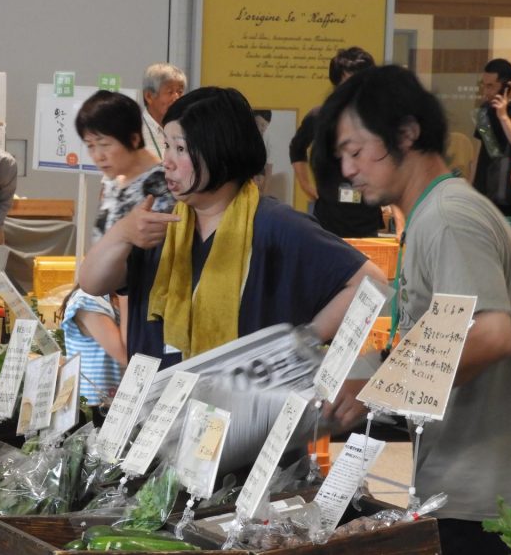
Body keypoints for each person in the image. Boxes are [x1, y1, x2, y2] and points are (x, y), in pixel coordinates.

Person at [314, 64, 511, 555]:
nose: (348, 169)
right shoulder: (436, 215)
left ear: (407, 134)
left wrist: (377, 388)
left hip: (486, 507)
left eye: (357, 150)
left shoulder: (448, 218)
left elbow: (491, 333)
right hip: (471, 495)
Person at [78, 86, 382, 367]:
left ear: (219, 150)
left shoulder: (276, 225)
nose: (167, 161)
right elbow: (92, 283)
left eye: (180, 149)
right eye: (167, 146)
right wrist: (121, 233)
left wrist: (304, 340)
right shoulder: (161, 226)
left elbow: (372, 283)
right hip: (160, 411)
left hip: (242, 416)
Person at [289, 46, 385, 238]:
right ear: (337, 83)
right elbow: (297, 148)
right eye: (350, 83)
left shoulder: (378, 119)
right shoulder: (320, 117)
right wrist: (306, 186)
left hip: (366, 219)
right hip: (328, 219)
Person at [76, 89, 165, 241]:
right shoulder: (113, 181)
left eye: (104, 144)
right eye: (90, 146)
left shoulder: (162, 185)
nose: (98, 156)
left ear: (134, 139)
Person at [473, 58, 511, 219]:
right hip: (486, 195)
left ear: (507, 85)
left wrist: (503, 117)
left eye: (491, 86)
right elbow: (485, 151)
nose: (486, 92)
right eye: (484, 85)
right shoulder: (484, 111)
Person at [60, 288, 125, 404]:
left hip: (120, 402)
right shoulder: (88, 300)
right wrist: (126, 295)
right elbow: (126, 354)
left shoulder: (112, 297)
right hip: (97, 406)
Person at [140, 63, 187, 160]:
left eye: (180, 91)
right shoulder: (133, 130)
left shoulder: (186, 129)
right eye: (170, 92)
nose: (176, 98)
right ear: (149, 96)